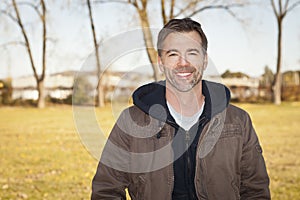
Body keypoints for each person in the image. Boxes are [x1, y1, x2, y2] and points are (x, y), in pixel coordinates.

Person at [91, 18, 270, 200]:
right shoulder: (131, 121)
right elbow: (106, 191)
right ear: (161, 63)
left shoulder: (238, 121)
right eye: (173, 54)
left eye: (192, 53)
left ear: (205, 60)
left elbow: (255, 191)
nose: (183, 63)